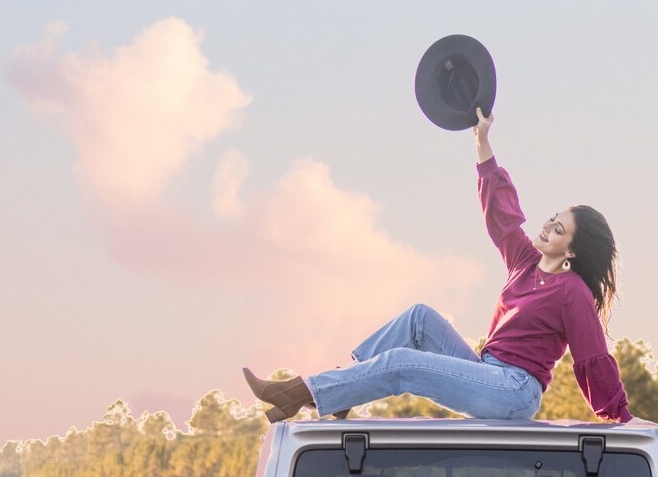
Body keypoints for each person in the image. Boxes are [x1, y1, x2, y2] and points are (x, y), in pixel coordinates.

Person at [243, 109, 632, 423]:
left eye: (559, 228)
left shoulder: (572, 293)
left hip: (514, 391)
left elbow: (592, 357)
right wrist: (483, 142)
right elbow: (502, 216)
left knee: (402, 364)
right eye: (552, 218)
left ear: (572, 252)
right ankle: (346, 390)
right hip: (487, 369)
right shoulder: (526, 263)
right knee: (419, 318)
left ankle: (296, 392)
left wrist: (619, 414)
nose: (546, 226)